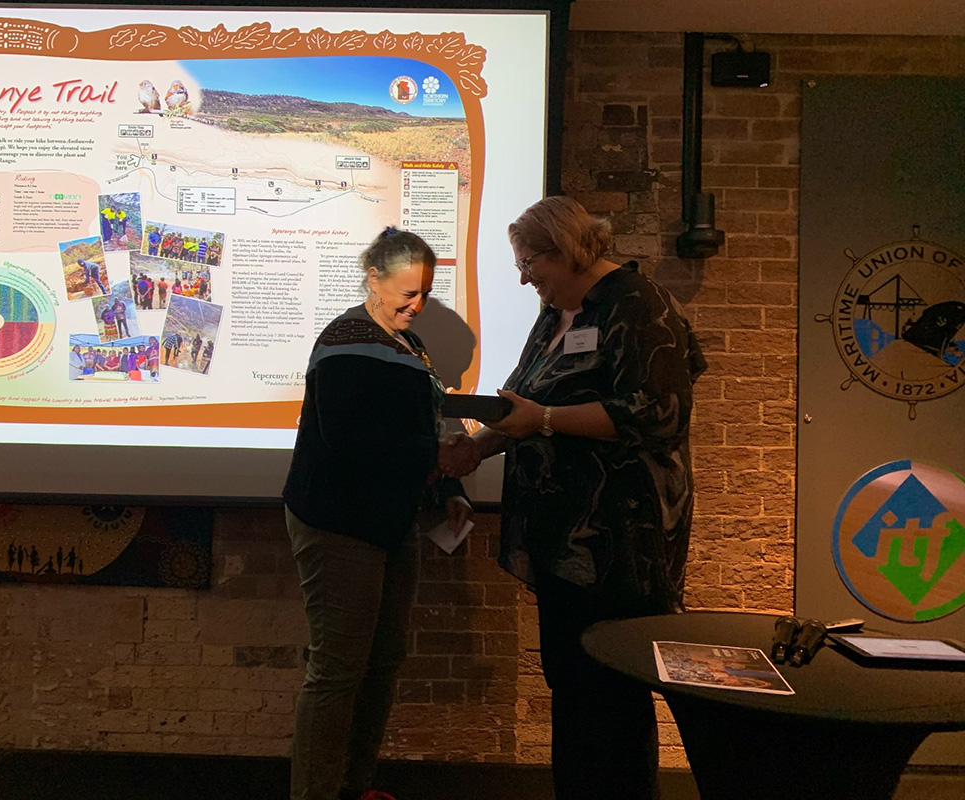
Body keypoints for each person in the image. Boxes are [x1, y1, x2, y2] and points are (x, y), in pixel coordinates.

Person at [449, 196, 706, 800]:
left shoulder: (637, 304)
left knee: (610, 694)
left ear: (564, 248)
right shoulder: (557, 312)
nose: (523, 276)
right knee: (572, 686)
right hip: (562, 540)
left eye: (529, 261)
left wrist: (543, 422)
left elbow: (659, 415)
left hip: (618, 540)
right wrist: (474, 450)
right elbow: (524, 407)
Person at [282, 227, 473, 800]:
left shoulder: (407, 344)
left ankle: (353, 788)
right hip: (338, 522)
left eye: (425, 292)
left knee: (383, 660)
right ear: (373, 277)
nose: (418, 304)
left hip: (390, 519)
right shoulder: (345, 342)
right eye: (408, 291)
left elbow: (423, 422)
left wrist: (449, 489)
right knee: (339, 671)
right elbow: (347, 441)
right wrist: (435, 456)